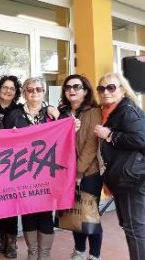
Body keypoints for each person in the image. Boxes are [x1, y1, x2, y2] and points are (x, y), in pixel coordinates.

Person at [94, 72, 145, 260]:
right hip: (125, 177)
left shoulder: (126, 110)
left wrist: (110, 135)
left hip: (132, 179)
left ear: (122, 90)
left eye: (111, 87)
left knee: (135, 229)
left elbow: (141, 139)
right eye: (101, 88)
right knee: (131, 226)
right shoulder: (111, 110)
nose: (106, 91)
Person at [3, 76, 54, 260]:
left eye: (39, 89)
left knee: (46, 214)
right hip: (22, 173)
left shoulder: (53, 114)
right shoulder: (14, 115)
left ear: (44, 92)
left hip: (47, 173)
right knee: (28, 214)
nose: (34, 93)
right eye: (30, 89)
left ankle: (45, 254)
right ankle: (32, 253)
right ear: (24, 93)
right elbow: (3, 142)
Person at [57, 74, 102, 260]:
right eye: (68, 87)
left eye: (76, 86)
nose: (72, 90)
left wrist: (78, 173)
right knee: (74, 212)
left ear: (85, 90)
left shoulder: (94, 111)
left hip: (89, 173)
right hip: (66, 174)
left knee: (89, 214)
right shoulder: (62, 113)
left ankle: (94, 255)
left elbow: (91, 145)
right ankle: (80, 250)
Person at [0, 75, 22, 258]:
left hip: (13, 164)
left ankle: (11, 242)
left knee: (11, 204)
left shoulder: (19, 110)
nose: (8, 91)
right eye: (5, 87)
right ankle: (0, 238)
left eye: (12, 88)